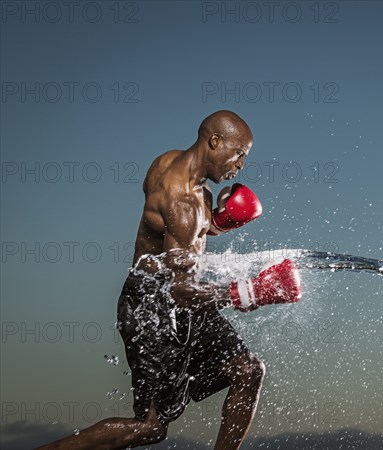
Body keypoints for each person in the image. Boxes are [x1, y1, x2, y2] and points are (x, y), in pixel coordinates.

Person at [36, 110, 302, 450]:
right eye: (239, 155)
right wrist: (252, 292)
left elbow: (175, 237)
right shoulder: (184, 204)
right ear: (214, 142)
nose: (239, 166)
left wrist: (217, 222)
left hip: (176, 296)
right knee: (150, 427)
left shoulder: (167, 162)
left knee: (247, 370)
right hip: (151, 307)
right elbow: (181, 289)